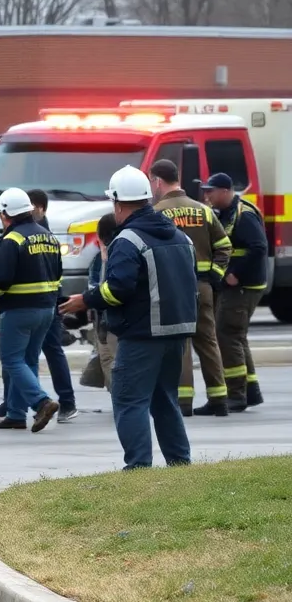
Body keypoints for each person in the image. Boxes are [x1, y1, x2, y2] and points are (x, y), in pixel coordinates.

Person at [60, 166, 196, 470]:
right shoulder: (178, 236)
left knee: (129, 399)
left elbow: (118, 290)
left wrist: (86, 300)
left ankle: (138, 468)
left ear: (119, 204)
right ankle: (180, 463)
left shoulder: (127, 240)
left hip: (142, 334)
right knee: (165, 400)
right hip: (177, 332)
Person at [148, 159, 232, 417]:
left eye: (152, 182)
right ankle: (219, 400)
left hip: (174, 290)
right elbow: (224, 246)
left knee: (180, 343)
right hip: (204, 286)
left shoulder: (157, 213)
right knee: (208, 342)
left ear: (159, 181)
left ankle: (183, 402)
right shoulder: (203, 210)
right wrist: (215, 276)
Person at [0, 189, 78, 422]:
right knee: (29, 360)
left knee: (12, 360)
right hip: (46, 310)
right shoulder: (48, 236)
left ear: (6, 214)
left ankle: (41, 402)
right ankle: (16, 415)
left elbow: (3, 279)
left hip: (18, 310)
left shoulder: (12, 239)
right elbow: (58, 276)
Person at [202, 172, 267, 410]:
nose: (207, 195)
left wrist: (235, 273)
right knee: (236, 336)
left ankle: (236, 394)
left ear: (226, 191)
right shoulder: (226, 213)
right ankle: (251, 392)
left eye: (211, 190)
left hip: (243, 286)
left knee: (226, 335)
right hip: (236, 286)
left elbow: (258, 247)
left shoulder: (244, 215)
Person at [86, 213, 119, 390]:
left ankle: (121, 397)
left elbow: (98, 287)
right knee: (108, 358)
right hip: (106, 321)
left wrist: (87, 301)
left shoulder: (111, 255)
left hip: (111, 320)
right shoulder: (101, 258)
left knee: (111, 359)